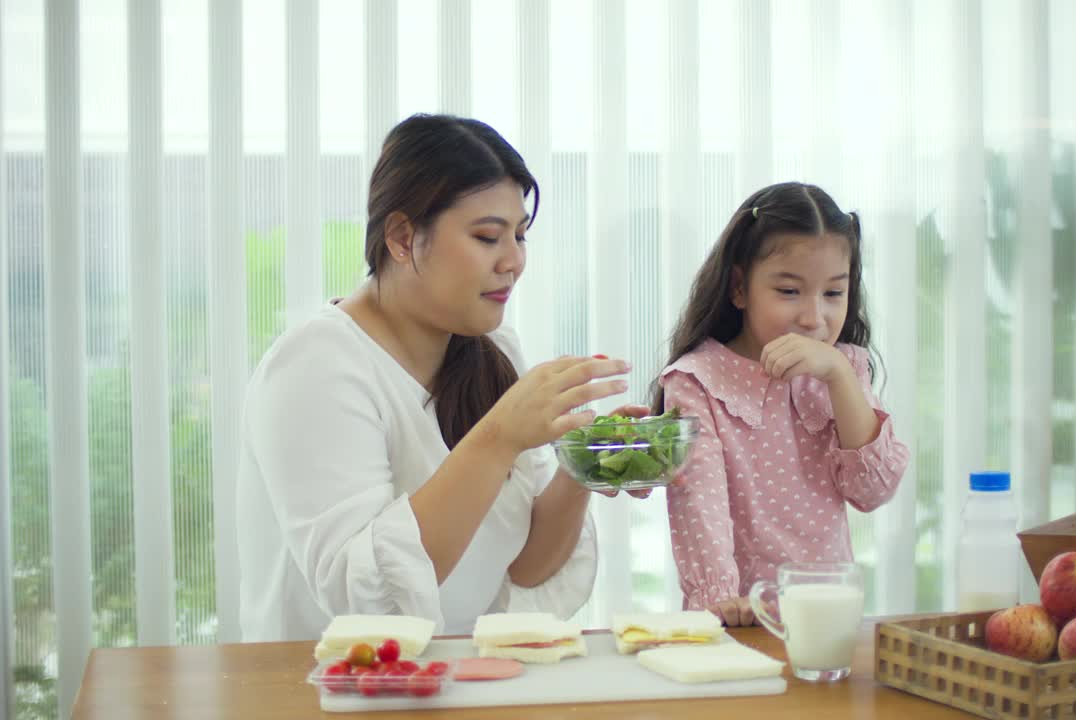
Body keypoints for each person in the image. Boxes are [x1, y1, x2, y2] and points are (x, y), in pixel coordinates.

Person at [237, 113, 647, 640]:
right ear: (403, 237)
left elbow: (527, 569)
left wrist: (582, 466)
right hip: (329, 691)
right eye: (487, 237)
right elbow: (367, 604)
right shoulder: (317, 364)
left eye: (520, 236)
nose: (514, 261)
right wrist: (500, 436)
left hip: (454, 684)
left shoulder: (493, 350)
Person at [653, 182, 910, 626]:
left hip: (826, 618)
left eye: (833, 294)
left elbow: (872, 490)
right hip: (737, 620)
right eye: (789, 291)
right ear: (739, 287)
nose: (814, 317)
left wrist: (839, 376)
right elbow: (700, 502)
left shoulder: (844, 368)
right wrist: (719, 599)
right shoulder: (698, 381)